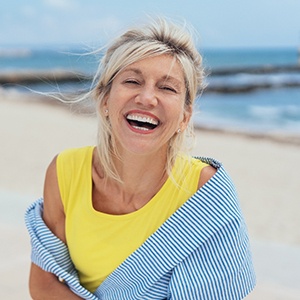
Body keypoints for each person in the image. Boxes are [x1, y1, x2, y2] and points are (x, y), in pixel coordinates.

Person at [25, 18, 256, 299]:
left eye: (167, 88)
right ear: (104, 99)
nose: (147, 98)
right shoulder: (65, 171)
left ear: (185, 115)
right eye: (132, 81)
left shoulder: (204, 190)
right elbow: (44, 284)